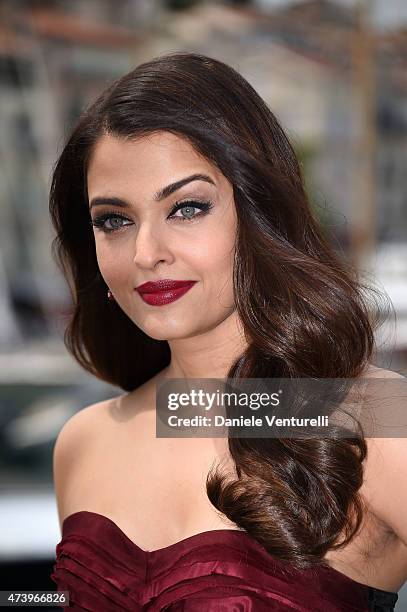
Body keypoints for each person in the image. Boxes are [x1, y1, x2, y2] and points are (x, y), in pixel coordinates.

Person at [49, 51, 406, 611]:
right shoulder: (84, 442)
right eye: (113, 220)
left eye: (187, 208)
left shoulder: (376, 417)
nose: (146, 253)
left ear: (259, 210)